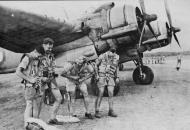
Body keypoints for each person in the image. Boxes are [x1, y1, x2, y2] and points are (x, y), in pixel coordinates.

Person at [16, 37, 62, 129]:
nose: (41, 56)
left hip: (39, 84)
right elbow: (18, 72)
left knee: (37, 105)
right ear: (36, 51)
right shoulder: (28, 57)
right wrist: (30, 79)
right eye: (40, 54)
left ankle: (35, 124)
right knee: (29, 105)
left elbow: (38, 72)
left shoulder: (39, 58)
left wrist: (43, 79)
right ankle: (26, 125)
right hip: (30, 85)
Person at [94, 48, 119, 118]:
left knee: (111, 93)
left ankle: (111, 110)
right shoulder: (102, 56)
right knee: (101, 92)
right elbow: (95, 65)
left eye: (113, 56)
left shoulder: (116, 57)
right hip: (102, 76)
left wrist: (117, 77)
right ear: (108, 52)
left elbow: (117, 67)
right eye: (111, 55)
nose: (112, 57)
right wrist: (96, 75)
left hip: (110, 76)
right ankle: (97, 111)